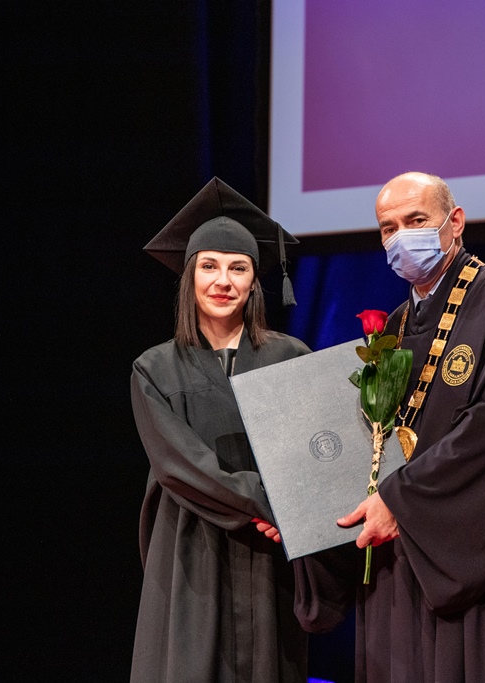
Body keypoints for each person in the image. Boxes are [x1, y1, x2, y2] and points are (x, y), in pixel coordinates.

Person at [295, 172, 485, 681]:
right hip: (404, 562)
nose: (401, 237)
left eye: (416, 220)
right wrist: (306, 516)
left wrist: (400, 501)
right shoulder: (392, 329)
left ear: (455, 222)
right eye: (389, 228)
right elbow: (371, 448)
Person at [129, 177, 311, 682]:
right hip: (190, 546)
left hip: (268, 550)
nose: (223, 281)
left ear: (254, 281)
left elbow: (312, 453)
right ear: (189, 277)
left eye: (238, 268)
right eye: (209, 266)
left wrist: (295, 509)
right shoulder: (155, 368)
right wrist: (266, 501)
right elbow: (178, 465)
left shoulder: (291, 358)